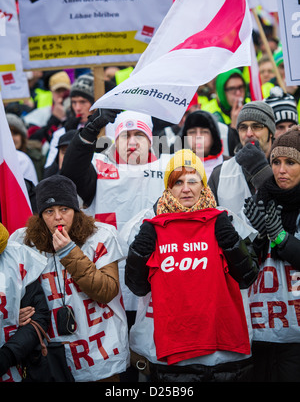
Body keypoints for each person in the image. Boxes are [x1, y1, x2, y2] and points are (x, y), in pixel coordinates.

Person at [125, 149, 258, 382]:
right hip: (177, 357)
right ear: (168, 187)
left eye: (192, 180)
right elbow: (137, 286)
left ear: (203, 184)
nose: (186, 188)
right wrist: (140, 250)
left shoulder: (225, 219)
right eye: (177, 182)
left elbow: (248, 276)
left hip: (224, 354)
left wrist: (231, 243)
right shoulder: (151, 226)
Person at [61, 109, 172, 381]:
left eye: (138, 135)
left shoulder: (170, 170)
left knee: (159, 360)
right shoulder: (98, 170)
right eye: (124, 135)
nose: (132, 142)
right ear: (114, 141)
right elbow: (71, 171)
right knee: (124, 367)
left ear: (151, 141)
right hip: (110, 286)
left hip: (159, 285)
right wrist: (90, 131)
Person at [10, 175, 129, 382]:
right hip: (51, 355)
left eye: (64, 209)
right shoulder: (23, 241)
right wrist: (14, 314)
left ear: (76, 210)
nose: (58, 217)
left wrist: (69, 253)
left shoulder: (101, 235)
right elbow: (10, 291)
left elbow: (107, 290)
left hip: (99, 352)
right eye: (49, 211)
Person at [243, 125, 300, 382]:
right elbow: (247, 270)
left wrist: (280, 236)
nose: (281, 170)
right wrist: (257, 238)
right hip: (263, 327)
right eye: (275, 161)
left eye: (290, 162)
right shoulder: (263, 197)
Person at [208, 101, 276, 220]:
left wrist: (261, 170)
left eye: (257, 126)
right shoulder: (219, 173)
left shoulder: (288, 166)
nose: (249, 134)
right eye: (243, 128)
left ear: (270, 132)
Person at [0, 222, 50, 382]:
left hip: (13, 367)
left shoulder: (16, 255)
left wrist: (6, 356)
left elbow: (38, 316)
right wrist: (7, 319)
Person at [43, 72, 95, 170]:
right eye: (74, 102)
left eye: (83, 102)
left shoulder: (108, 127)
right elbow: (48, 172)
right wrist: (68, 136)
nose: (78, 108)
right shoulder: (61, 133)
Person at [177, 110, 227, 179]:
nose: (198, 137)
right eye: (192, 132)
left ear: (214, 137)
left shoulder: (229, 165)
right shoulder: (174, 165)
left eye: (204, 132)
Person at [6, 113, 40, 185]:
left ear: (22, 137)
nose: (11, 139)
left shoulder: (38, 159)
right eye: (7, 134)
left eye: (15, 133)